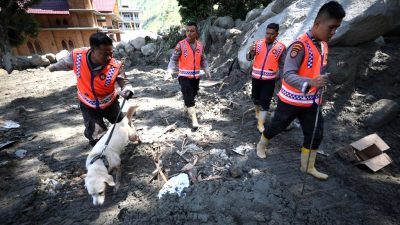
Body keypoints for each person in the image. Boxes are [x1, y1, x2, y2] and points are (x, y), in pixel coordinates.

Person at [256, 1, 346, 180]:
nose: (333, 32)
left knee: (316, 133)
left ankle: (308, 166)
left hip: (312, 101)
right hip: (290, 100)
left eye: (336, 28)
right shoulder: (299, 46)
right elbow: (287, 74)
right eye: (331, 27)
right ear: (318, 23)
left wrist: (319, 82)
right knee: (277, 126)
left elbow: (316, 70)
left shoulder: (324, 45)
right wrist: (311, 81)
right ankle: (261, 144)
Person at [48, 32, 134, 146]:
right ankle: (92, 133)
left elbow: (123, 81)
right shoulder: (78, 56)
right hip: (88, 105)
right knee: (97, 135)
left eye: (111, 53)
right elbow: (65, 63)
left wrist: (127, 90)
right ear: (92, 50)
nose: (109, 57)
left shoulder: (114, 65)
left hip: (110, 103)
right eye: (104, 54)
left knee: (124, 128)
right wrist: (52, 68)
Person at [165, 21, 211, 129]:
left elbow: (203, 59)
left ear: (196, 32)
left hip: (196, 77)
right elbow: (173, 60)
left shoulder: (200, 45)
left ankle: (187, 106)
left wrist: (207, 69)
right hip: (184, 77)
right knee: (189, 96)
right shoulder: (180, 45)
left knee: (193, 94)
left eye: (192, 31)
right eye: (187, 31)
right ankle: (194, 119)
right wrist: (169, 71)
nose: (189, 33)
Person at [246, 23, 286, 132]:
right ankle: (257, 113)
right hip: (256, 78)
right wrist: (251, 52)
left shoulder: (281, 47)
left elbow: (283, 65)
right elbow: (249, 58)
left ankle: (260, 123)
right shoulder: (258, 44)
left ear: (277, 34)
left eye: (272, 34)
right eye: (267, 33)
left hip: (269, 80)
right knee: (255, 99)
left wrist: (284, 80)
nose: (268, 36)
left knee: (265, 102)